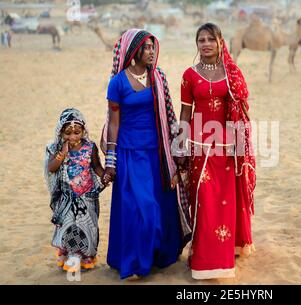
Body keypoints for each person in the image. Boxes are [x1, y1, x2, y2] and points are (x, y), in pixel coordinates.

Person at [102, 29, 191, 280]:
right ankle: (134, 262)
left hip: (157, 153)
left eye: (153, 47)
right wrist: (111, 159)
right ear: (134, 51)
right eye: (146, 47)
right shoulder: (117, 82)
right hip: (130, 153)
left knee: (159, 207)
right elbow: (114, 122)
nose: (151, 52)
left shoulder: (159, 77)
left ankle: (156, 257)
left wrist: (177, 149)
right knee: (139, 208)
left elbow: (169, 114)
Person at [176, 23, 256, 280]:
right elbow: (186, 114)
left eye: (211, 39)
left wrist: (240, 148)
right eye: (201, 40)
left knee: (225, 205)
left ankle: (223, 260)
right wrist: (180, 146)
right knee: (205, 204)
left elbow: (241, 113)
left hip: (228, 149)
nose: (206, 44)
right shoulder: (189, 75)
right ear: (196, 44)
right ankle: (202, 260)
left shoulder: (232, 74)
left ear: (221, 42)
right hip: (200, 149)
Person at [44, 108, 107, 272]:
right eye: (68, 133)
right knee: (69, 226)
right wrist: (62, 155)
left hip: (86, 198)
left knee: (86, 227)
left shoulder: (90, 147)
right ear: (60, 132)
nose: (72, 137)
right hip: (66, 199)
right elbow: (51, 168)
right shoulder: (56, 148)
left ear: (83, 131)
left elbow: (97, 167)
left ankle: (85, 256)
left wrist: (106, 176)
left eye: (77, 132)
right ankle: (70, 257)